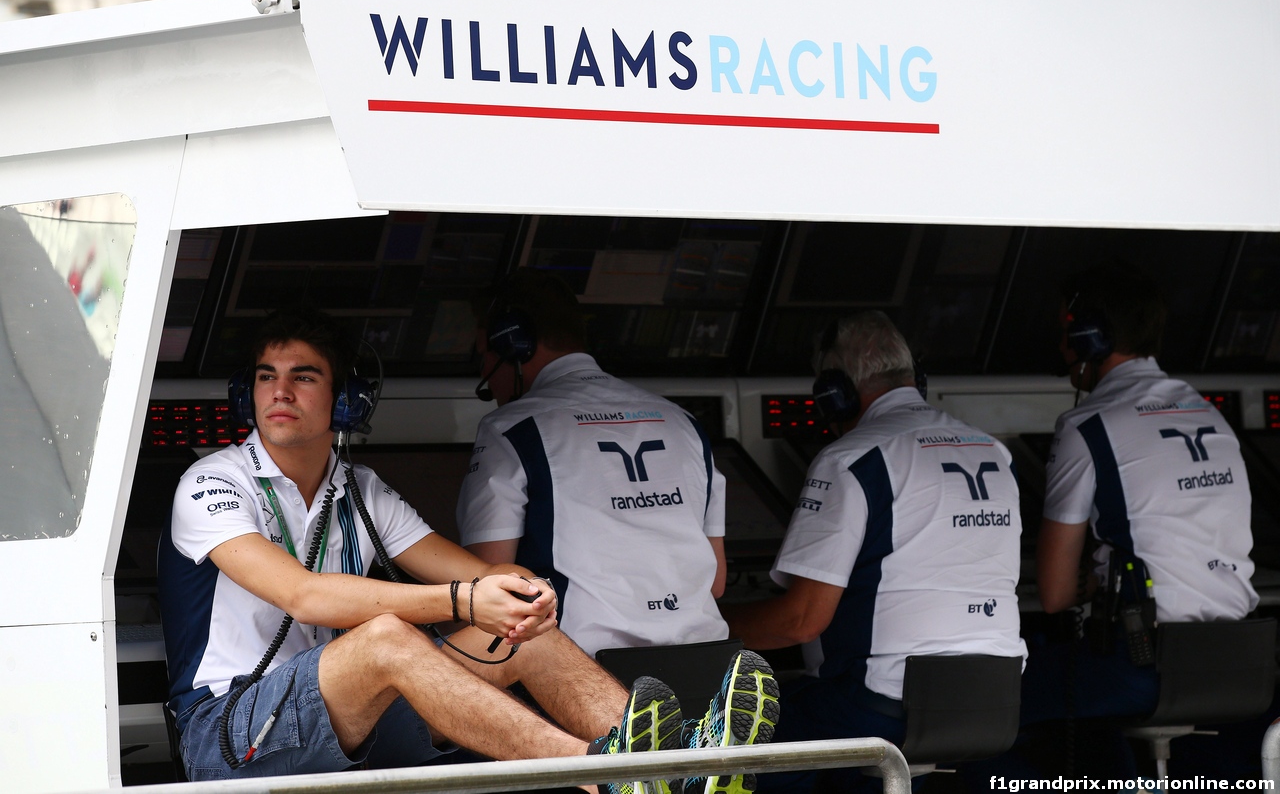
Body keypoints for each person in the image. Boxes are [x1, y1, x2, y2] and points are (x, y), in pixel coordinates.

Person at [158, 304, 779, 793]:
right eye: (266, 377)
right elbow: (306, 595)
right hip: (230, 732)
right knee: (384, 638)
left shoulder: (361, 489)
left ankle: (682, 765)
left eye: (303, 377)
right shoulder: (213, 481)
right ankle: (608, 772)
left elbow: (479, 574)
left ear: (346, 399)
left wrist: (518, 594)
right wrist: (465, 599)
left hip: (345, 723)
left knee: (518, 633)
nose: (280, 393)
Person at [722, 311, 1026, 793]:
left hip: (879, 707)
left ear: (834, 392)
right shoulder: (992, 451)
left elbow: (800, 622)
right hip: (997, 699)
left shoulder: (852, 458)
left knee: (726, 733)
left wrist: (702, 628)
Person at [1024, 262, 1258, 724]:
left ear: (1092, 337)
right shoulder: (1211, 416)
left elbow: (1052, 593)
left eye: (1067, 333)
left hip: (1144, 665)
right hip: (1241, 662)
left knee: (997, 702)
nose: (1061, 347)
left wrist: (1089, 581)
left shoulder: (1087, 426)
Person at [457, 269, 732, 661]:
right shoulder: (683, 421)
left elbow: (486, 583)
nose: (485, 370)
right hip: (709, 663)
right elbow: (716, 582)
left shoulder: (512, 429)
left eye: (484, 352)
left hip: (583, 675)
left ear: (512, 343)